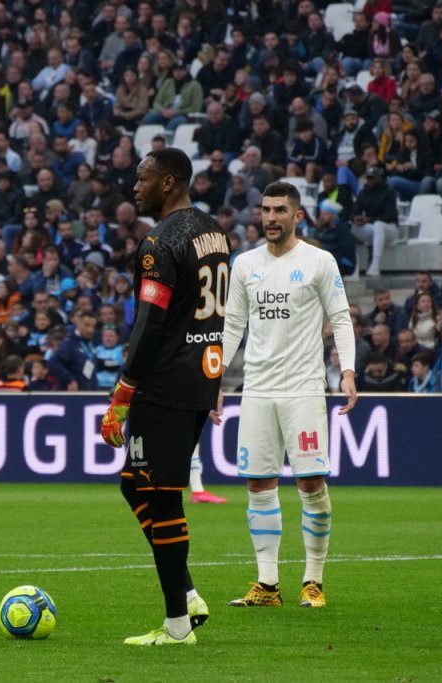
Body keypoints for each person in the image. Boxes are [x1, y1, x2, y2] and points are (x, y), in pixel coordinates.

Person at [99, 148, 228, 646]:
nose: (135, 187)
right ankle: (187, 593)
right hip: (200, 375)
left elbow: (151, 322)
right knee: (136, 484)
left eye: (143, 177)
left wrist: (124, 392)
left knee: (160, 493)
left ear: (168, 182)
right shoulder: (215, 230)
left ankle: (177, 626)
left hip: (165, 383)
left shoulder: (159, 242)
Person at [221, 181, 358, 611]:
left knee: (310, 482)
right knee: (258, 484)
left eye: (280, 210)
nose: (270, 217)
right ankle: (267, 585)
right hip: (257, 389)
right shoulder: (244, 264)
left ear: (298, 216)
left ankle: (313, 581)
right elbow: (232, 327)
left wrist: (348, 371)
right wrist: (216, 381)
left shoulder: (319, 261)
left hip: (302, 387)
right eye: (265, 210)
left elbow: (340, 317)